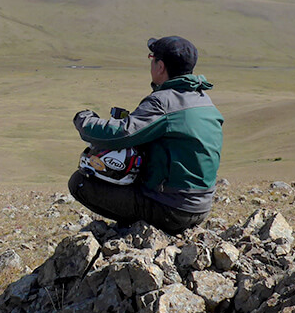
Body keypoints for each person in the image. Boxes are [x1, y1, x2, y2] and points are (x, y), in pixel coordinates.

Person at [68, 36, 224, 234]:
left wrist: (84, 120)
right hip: (200, 207)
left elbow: (120, 134)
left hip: (171, 209)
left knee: (79, 182)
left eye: (152, 58)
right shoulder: (204, 100)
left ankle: (134, 229)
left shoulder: (163, 102)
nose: (150, 64)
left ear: (160, 66)